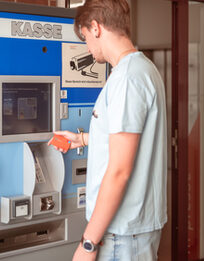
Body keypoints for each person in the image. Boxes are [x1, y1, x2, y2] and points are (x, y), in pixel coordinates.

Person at [49, 0, 167, 260]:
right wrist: (82, 139)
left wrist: (88, 243)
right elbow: (132, 141)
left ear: (95, 27)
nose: (87, 47)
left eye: (85, 38)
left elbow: (119, 170)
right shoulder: (143, 69)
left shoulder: (127, 78)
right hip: (132, 231)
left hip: (123, 234)